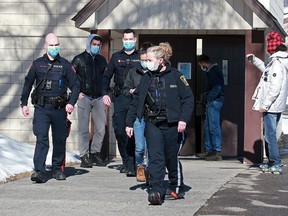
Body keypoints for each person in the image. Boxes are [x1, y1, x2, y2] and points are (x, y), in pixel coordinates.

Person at [125, 42, 194, 205]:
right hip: (152, 124)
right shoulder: (146, 78)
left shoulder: (176, 76)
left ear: (161, 60)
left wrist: (183, 119)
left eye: (149, 60)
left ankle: (175, 187)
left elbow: (188, 99)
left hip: (172, 125)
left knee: (171, 158)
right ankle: (156, 190)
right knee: (155, 158)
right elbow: (136, 101)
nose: (146, 63)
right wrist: (129, 123)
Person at [20, 33, 80, 183]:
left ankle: (57, 168)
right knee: (42, 138)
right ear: (45, 46)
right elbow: (28, 83)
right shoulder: (37, 64)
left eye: (56, 45)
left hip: (59, 109)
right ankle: (39, 171)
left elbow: (76, 85)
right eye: (51, 45)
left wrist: (71, 103)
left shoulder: (66, 65)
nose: (54, 48)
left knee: (59, 139)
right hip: (42, 108)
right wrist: (23, 103)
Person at [247, 31, 288, 174]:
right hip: (275, 105)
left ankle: (275, 163)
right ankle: (272, 162)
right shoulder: (276, 62)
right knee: (269, 134)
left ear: (273, 47)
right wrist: (255, 60)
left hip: (271, 106)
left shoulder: (277, 63)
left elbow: (275, 87)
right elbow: (266, 71)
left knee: (269, 135)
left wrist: (265, 104)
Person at [102, 29, 140, 176]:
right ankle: (126, 161)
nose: (128, 42)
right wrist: (105, 93)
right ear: (123, 40)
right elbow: (106, 76)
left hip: (136, 98)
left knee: (134, 132)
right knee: (120, 130)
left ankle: (133, 163)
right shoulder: (116, 57)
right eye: (126, 39)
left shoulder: (140, 57)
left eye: (131, 39)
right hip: (120, 98)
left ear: (135, 40)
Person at [72, 34, 107, 168]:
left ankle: (95, 153)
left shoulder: (102, 60)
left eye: (98, 45)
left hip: (98, 97)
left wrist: (105, 94)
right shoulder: (79, 59)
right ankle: (84, 155)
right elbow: (70, 77)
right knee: (83, 129)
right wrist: (76, 92)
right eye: (94, 44)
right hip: (84, 96)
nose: (96, 47)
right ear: (88, 44)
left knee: (101, 128)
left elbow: (106, 78)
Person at [123, 42, 153, 182]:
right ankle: (140, 166)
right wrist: (132, 91)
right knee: (140, 146)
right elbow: (125, 89)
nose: (145, 63)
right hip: (138, 114)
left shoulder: (155, 74)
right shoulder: (133, 72)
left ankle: (151, 169)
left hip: (153, 115)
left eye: (148, 60)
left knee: (152, 147)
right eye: (142, 60)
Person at [195, 54, 224, 161]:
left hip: (214, 101)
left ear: (203, 62)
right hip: (212, 101)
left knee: (213, 127)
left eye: (200, 64)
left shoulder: (213, 71)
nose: (200, 66)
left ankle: (216, 151)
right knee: (207, 127)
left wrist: (208, 98)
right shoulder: (211, 71)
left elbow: (217, 87)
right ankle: (209, 150)